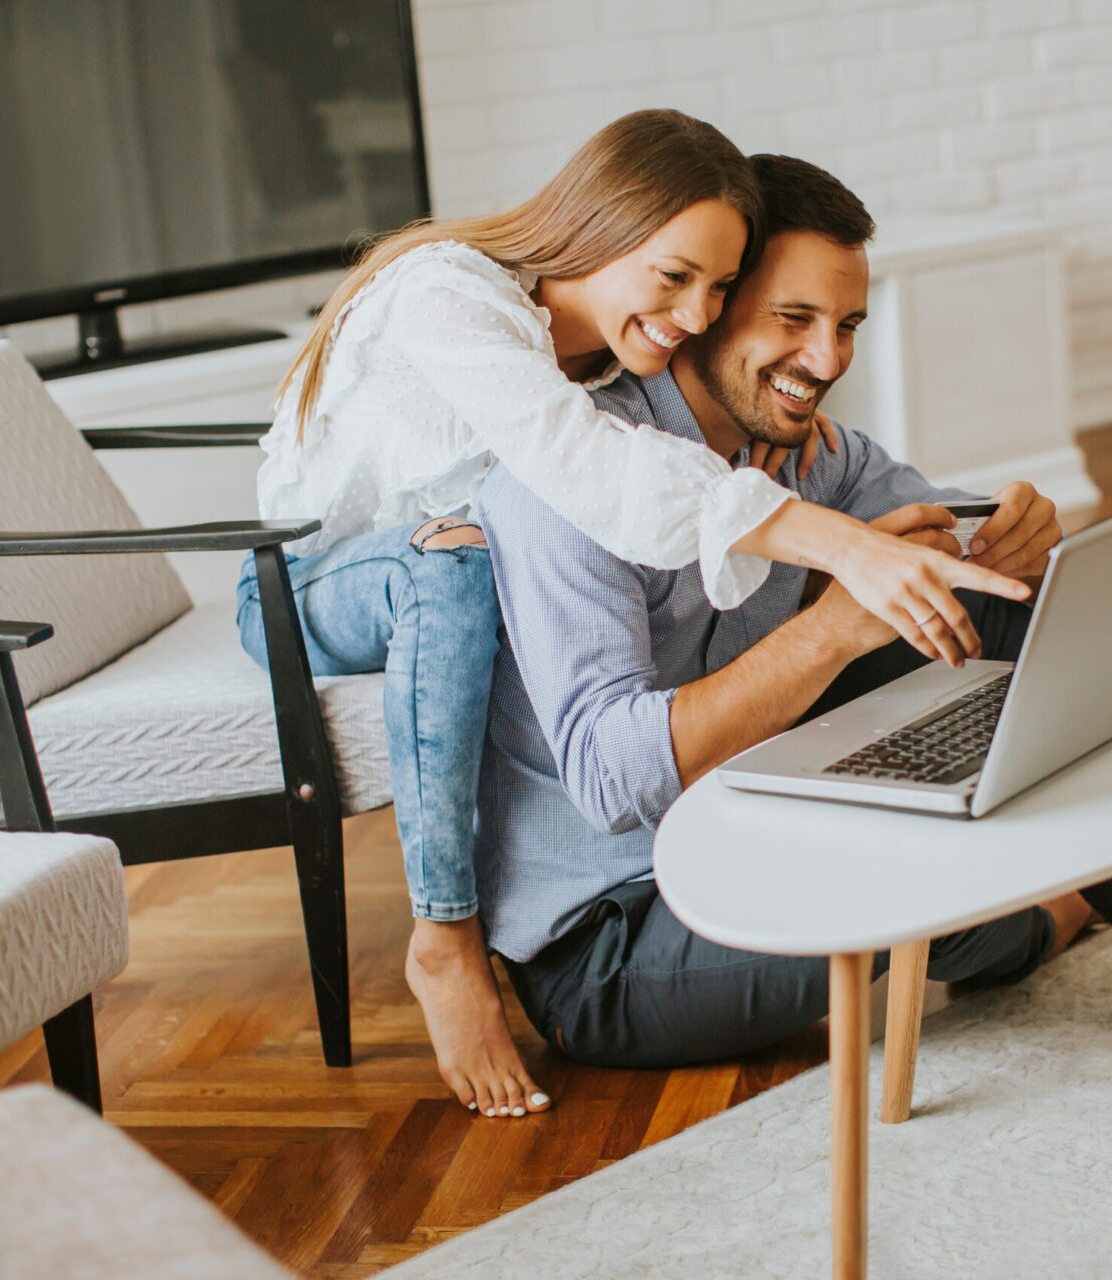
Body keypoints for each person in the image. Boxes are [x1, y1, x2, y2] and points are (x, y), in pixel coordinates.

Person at [473, 154, 1112, 1068]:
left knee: (994, 616)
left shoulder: (810, 451)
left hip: (749, 815)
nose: (824, 357)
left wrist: (1013, 539)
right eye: (794, 317)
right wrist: (835, 623)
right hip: (617, 931)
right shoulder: (577, 479)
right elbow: (609, 778)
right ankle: (1051, 911)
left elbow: (963, 555)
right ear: (714, 307)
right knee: (936, 886)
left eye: (848, 325)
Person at [237, 112, 1025, 1120]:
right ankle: (444, 937)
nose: (695, 315)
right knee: (459, 574)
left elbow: (647, 458)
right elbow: (582, 464)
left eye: (715, 290)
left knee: (472, 562)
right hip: (309, 578)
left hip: (462, 555)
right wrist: (830, 545)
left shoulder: (612, 363)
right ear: (601, 226)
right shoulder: (451, 297)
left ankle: (1108, 913)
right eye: (675, 277)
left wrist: (978, 525)